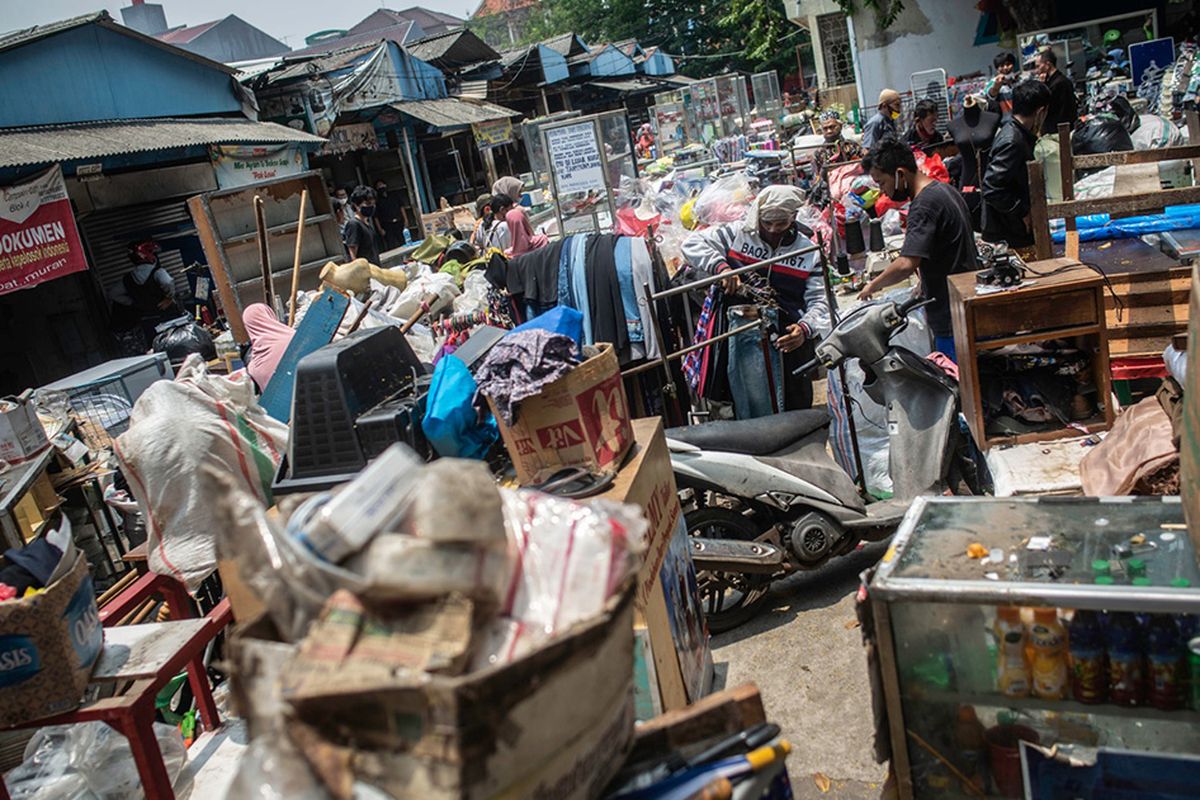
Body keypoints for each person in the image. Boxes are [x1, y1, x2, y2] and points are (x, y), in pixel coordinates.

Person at [681, 186, 830, 411]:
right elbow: (691, 244)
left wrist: (804, 329)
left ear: (794, 217)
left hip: (787, 337)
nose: (772, 229)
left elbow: (821, 300)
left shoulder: (808, 252)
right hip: (742, 335)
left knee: (795, 405)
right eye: (767, 222)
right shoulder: (737, 234)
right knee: (747, 403)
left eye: (781, 223)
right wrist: (721, 268)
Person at [857, 140, 978, 361]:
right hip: (963, 305)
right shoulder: (944, 190)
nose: (882, 191)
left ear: (900, 174)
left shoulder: (924, 205)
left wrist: (872, 286)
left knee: (958, 385)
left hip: (951, 317)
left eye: (882, 183)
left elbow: (905, 264)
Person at [981, 80, 1051, 250]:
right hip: (1009, 231)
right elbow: (992, 188)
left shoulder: (1018, 134)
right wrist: (1022, 212)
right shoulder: (1013, 141)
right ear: (1041, 112)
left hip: (1013, 227)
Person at [108, 240, 179, 353]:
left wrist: (133, 302)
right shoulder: (158, 272)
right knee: (174, 344)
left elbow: (113, 293)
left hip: (146, 320)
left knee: (155, 348)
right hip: (165, 316)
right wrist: (169, 298)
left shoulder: (128, 279)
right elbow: (168, 282)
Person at [492, 176, 547, 256]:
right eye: (519, 193)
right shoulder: (517, 211)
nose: (521, 196)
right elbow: (528, 234)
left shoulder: (508, 254)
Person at [1035, 48, 1078, 135]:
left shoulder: (1059, 83)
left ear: (1047, 64)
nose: (1037, 70)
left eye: (1038, 66)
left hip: (1059, 131)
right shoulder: (1052, 81)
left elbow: (1050, 106)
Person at [811, 110, 864, 176]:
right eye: (825, 128)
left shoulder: (852, 146)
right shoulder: (818, 153)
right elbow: (816, 179)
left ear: (840, 126)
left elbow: (864, 167)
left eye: (832, 127)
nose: (829, 131)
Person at [343, 185, 381, 265]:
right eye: (367, 203)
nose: (371, 206)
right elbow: (353, 255)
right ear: (356, 205)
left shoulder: (367, 224)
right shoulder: (354, 225)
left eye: (373, 203)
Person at [373, 180, 404, 250]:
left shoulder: (394, 196)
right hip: (387, 225)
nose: (381, 187)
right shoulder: (377, 201)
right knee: (391, 244)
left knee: (403, 241)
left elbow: (401, 207)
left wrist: (406, 220)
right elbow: (376, 217)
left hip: (398, 222)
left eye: (382, 185)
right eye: (378, 186)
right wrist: (380, 229)